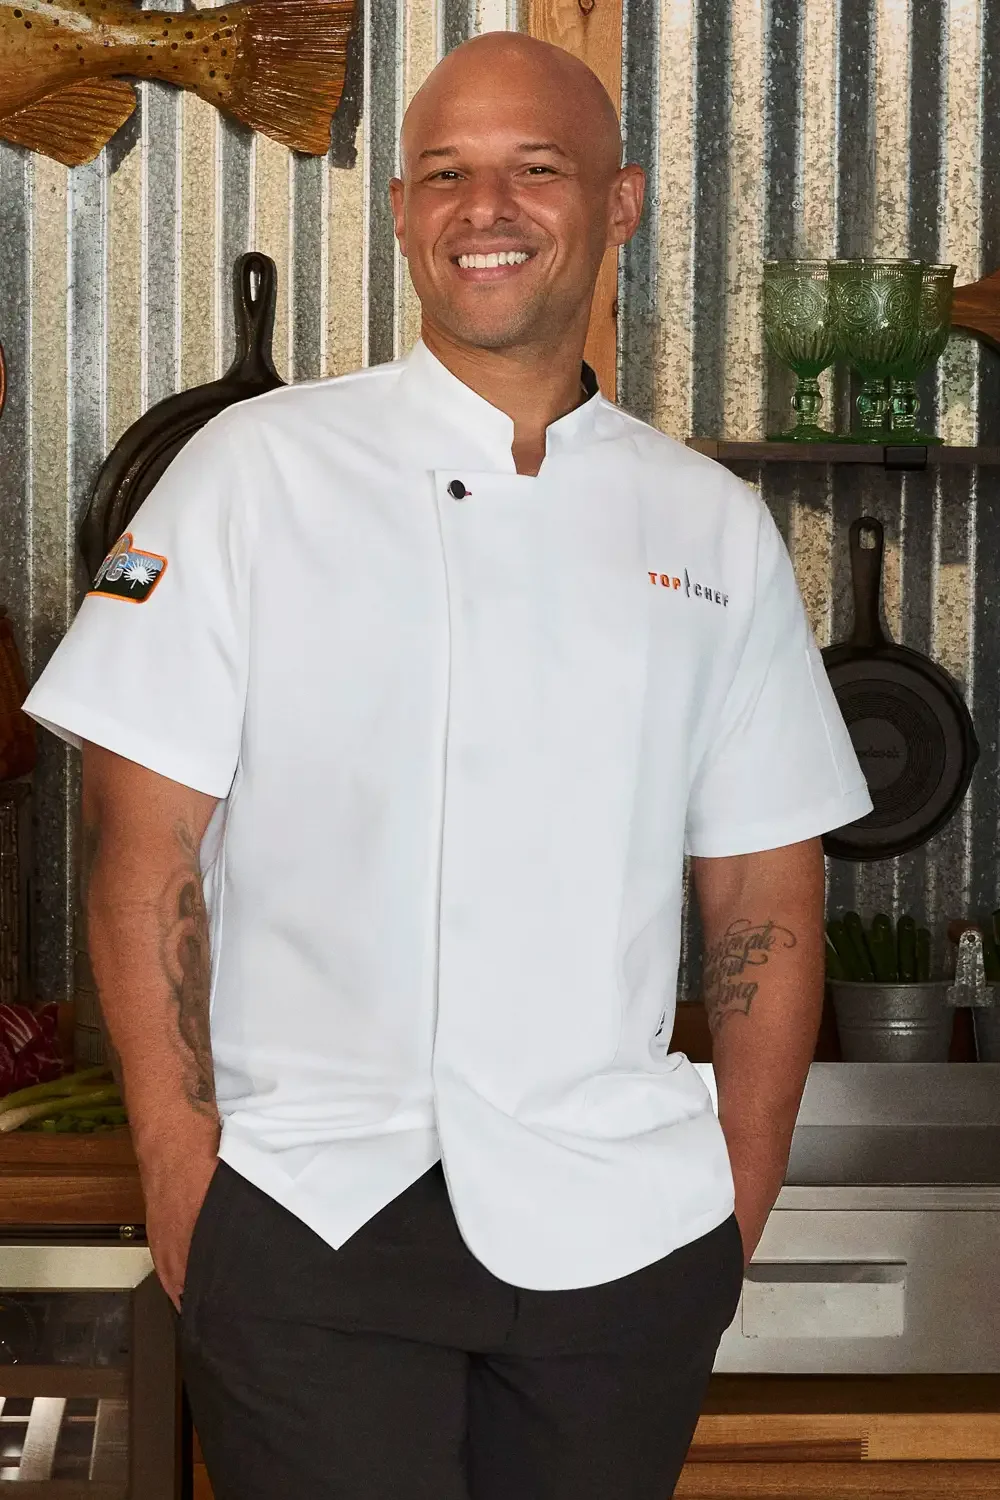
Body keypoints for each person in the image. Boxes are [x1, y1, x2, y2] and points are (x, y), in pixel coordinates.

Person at [24, 31, 871, 1500]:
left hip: (621, 1225)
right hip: (309, 1212)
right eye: (446, 175)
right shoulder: (251, 473)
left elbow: (761, 886)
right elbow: (139, 840)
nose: (488, 208)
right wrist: (178, 1162)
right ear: (407, 214)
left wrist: (737, 1196)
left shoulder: (711, 527)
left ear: (621, 201)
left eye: (535, 170)